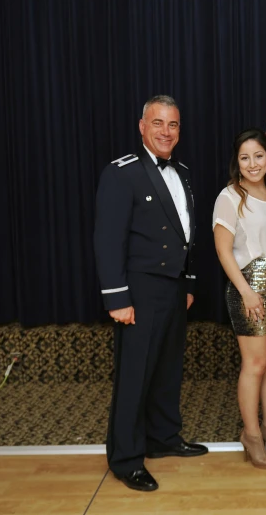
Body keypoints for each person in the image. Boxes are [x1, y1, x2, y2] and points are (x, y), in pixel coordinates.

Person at [94, 95, 207, 492]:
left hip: (174, 288)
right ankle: (126, 458)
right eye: (157, 123)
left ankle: (163, 437)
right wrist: (117, 298)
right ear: (142, 126)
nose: (165, 131)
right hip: (138, 291)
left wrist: (189, 282)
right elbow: (107, 240)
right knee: (134, 375)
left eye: (172, 125)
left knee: (166, 369)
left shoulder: (185, 172)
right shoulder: (121, 173)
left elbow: (187, 234)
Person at [212, 128, 266, 470]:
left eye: (258, 156)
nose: (252, 163)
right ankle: (251, 435)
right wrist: (247, 292)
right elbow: (223, 250)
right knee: (256, 365)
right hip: (249, 287)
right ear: (237, 162)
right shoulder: (230, 197)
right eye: (245, 158)